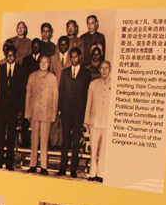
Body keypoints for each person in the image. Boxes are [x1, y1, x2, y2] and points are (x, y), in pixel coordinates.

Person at [57, 47, 92, 178]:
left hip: (78, 113)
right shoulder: (65, 72)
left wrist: (84, 114)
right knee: (65, 140)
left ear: (80, 57)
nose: (73, 59)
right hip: (66, 112)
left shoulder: (86, 74)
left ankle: (73, 169)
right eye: (71, 57)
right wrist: (60, 110)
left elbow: (87, 95)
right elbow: (61, 92)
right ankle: (62, 167)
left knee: (76, 141)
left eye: (76, 57)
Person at [0, 44, 26, 170]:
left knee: (12, 135)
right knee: (0, 134)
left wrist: (20, 110)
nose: (10, 58)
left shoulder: (20, 70)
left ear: (16, 56)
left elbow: (22, 92)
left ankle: (9, 163)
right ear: (5, 56)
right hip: (1, 108)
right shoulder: (0, 69)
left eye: (12, 55)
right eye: (8, 55)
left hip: (13, 109)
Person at [24, 55, 58, 174]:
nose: (44, 64)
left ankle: (44, 166)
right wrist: (28, 112)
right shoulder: (32, 76)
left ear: (49, 64)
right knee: (34, 140)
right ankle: (33, 165)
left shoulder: (53, 78)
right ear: (39, 63)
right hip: (35, 113)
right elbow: (28, 95)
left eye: (46, 62)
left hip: (46, 114)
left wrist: (53, 114)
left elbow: (55, 97)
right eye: (41, 62)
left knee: (44, 141)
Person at [85, 60, 112, 182]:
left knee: (104, 150)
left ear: (110, 69)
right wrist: (86, 121)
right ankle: (92, 173)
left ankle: (101, 174)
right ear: (99, 70)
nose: (104, 70)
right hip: (94, 121)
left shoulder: (115, 84)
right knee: (93, 149)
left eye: (107, 68)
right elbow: (88, 103)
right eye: (102, 68)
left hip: (107, 122)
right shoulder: (93, 84)